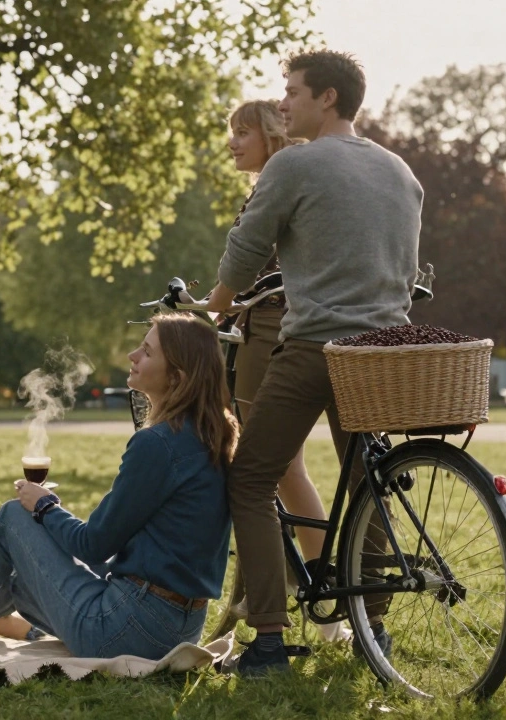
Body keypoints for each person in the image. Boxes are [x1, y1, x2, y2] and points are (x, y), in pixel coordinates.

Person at [204, 49, 423, 674]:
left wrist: (215, 307)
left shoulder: (297, 163)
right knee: (369, 482)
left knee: (250, 478)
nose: (283, 103)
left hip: (316, 348)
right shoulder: (401, 171)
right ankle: (372, 626)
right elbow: (402, 269)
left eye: (293, 92)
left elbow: (246, 252)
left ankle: (269, 640)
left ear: (328, 98)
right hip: (383, 353)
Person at [0, 315, 237, 660]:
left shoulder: (159, 444)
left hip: (128, 628)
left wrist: (46, 507)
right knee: (23, 567)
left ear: (177, 376)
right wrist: (48, 515)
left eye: (147, 351)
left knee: (12, 517)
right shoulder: (210, 437)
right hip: (179, 628)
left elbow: (95, 546)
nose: (132, 356)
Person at [221, 99, 346, 642]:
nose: (233, 142)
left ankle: (298, 597)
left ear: (269, 133)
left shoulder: (285, 172)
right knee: (288, 472)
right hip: (274, 321)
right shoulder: (299, 172)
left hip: (270, 328)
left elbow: (252, 255)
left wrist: (220, 301)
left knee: (266, 471)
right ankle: (321, 591)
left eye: (242, 131)